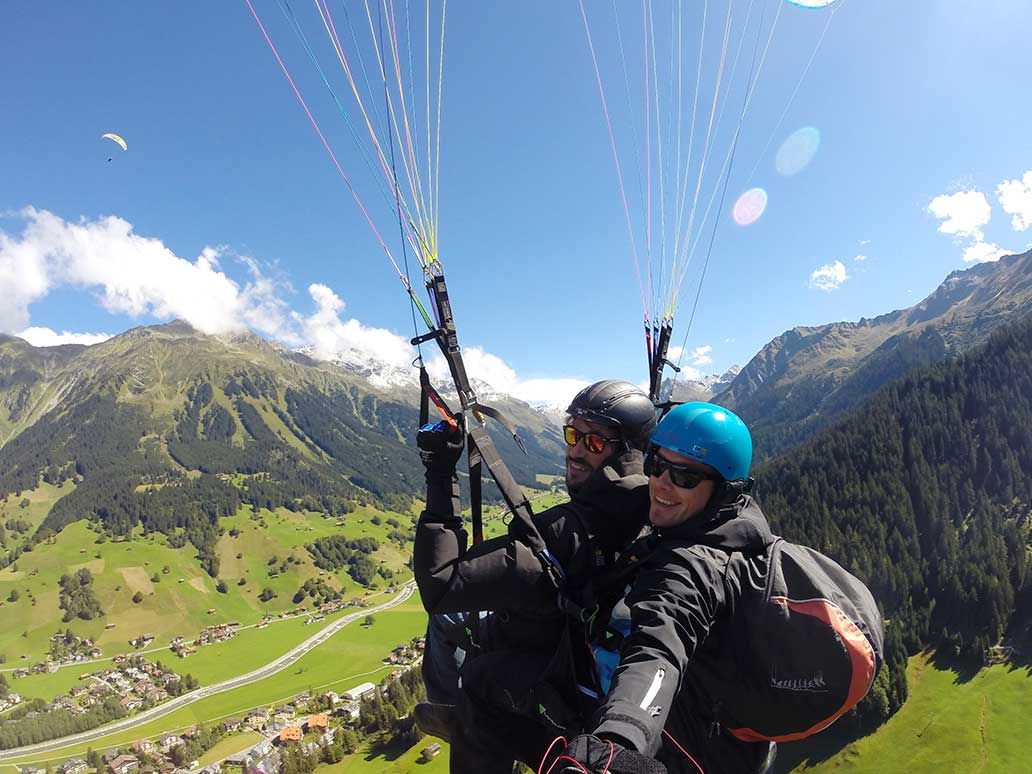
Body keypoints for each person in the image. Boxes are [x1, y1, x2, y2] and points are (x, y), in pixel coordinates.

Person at [412, 380, 659, 772]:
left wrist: (441, 475)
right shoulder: (658, 506)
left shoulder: (562, 533)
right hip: (588, 647)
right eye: (573, 434)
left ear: (625, 450)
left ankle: (455, 712)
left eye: (594, 442)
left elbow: (441, 583)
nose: (575, 450)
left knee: (450, 624)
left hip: (562, 676)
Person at [543, 402, 779, 774]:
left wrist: (618, 742)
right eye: (656, 465)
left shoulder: (691, 566)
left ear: (724, 489)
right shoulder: (734, 528)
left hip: (688, 747)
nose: (661, 485)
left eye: (684, 477)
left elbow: (658, 650)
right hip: (712, 722)